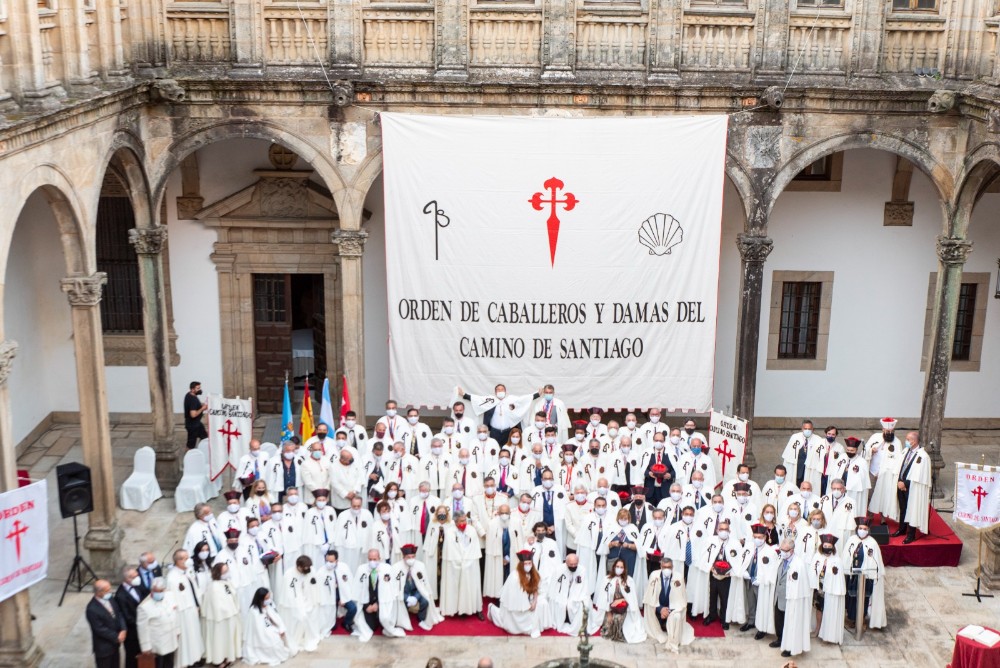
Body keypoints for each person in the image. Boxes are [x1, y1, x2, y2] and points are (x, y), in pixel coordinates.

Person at [487, 550, 548, 638]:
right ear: (521, 564)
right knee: (511, 626)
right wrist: (529, 606)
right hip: (515, 606)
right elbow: (517, 598)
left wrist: (534, 601)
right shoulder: (515, 577)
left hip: (528, 601)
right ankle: (492, 609)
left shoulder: (534, 572)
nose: (528, 565)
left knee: (542, 604)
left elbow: (536, 587)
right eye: (525, 563)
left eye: (529, 563)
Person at [458, 384, 540, 445]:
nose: (500, 391)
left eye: (502, 390)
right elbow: (477, 400)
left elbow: (524, 400)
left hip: (508, 432)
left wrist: (537, 394)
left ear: (505, 392)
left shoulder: (511, 400)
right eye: (498, 390)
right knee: (494, 451)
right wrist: (464, 395)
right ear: (495, 392)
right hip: (494, 432)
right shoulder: (490, 401)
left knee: (508, 451)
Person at [843, 517, 886, 630]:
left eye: (865, 529)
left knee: (864, 599)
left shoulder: (872, 543)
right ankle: (851, 618)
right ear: (857, 528)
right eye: (860, 528)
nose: (862, 530)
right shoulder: (851, 540)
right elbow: (846, 557)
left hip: (866, 578)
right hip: (853, 576)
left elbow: (876, 561)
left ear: (868, 530)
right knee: (852, 597)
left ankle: (861, 619)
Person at [164, 549, 205, 668]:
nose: (188, 560)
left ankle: (196, 658)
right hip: (182, 612)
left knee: (194, 635)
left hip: (192, 608)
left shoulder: (187, 571)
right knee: (186, 638)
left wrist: (197, 604)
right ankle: (187, 662)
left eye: (188, 557)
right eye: (185, 558)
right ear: (178, 561)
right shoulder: (172, 577)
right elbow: (172, 598)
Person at [354, 548, 407, 639]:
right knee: (370, 627)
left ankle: (383, 621)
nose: (372, 561)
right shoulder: (361, 569)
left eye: (374, 559)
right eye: (370, 559)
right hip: (368, 604)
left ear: (379, 558)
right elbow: (358, 591)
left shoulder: (387, 569)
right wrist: (366, 606)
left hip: (383, 603)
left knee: (385, 619)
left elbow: (391, 591)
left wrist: (378, 604)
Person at [772, 539, 811, 659]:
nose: (782, 552)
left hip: (792, 599)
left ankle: (789, 647)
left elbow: (801, 585)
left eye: (785, 550)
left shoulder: (799, 564)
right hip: (779, 596)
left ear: (792, 550)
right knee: (779, 620)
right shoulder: (781, 559)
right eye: (781, 550)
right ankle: (780, 639)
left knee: (790, 623)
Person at [642, 556, 690, 652]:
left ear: (672, 567)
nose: (667, 569)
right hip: (657, 610)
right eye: (664, 567)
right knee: (651, 611)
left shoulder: (678, 577)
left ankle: (673, 641)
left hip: (672, 610)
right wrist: (660, 609)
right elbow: (649, 598)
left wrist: (668, 611)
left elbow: (681, 601)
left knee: (676, 616)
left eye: (669, 567)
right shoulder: (654, 576)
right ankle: (661, 627)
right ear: (660, 567)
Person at [275, 555, 321, 653]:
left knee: (312, 613)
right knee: (301, 617)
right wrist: (298, 605)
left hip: (307, 599)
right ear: (299, 567)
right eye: (305, 568)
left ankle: (309, 635)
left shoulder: (311, 570)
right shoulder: (289, 574)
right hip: (294, 603)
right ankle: (298, 638)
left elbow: (313, 585)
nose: (307, 570)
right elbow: (290, 593)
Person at [594, 557, 646, 643]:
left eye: (621, 567)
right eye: (617, 566)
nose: (619, 569)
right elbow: (603, 598)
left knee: (617, 619)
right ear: (614, 567)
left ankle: (619, 634)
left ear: (624, 569)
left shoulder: (629, 581)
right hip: (609, 609)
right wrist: (609, 613)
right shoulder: (606, 580)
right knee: (608, 624)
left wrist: (621, 600)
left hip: (624, 609)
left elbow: (631, 598)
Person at [201, 563, 242, 668]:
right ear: (218, 573)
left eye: (227, 570)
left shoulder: (226, 583)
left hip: (230, 616)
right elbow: (216, 605)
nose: (227, 573)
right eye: (225, 571)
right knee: (219, 641)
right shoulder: (213, 586)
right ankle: (219, 660)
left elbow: (232, 596)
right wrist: (226, 612)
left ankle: (228, 657)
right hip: (219, 619)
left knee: (228, 639)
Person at [395, 543, 445, 631]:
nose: (411, 559)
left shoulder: (420, 566)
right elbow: (396, 588)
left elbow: (423, 585)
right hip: (404, 594)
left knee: (425, 601)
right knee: (399, 602)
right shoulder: (396, 567)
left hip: (416, 592)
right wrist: (407, 598)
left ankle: (421, 618)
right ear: (403, 557)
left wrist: (416, 597)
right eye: (408, 557)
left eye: (413, 556)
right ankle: (403, 618)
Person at [894, 431, 931, 543]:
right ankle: (902, 529)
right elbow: (900, 467)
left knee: (912, 510)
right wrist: (899, 481)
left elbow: (920, 475)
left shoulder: (923, 456)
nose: (906, 441)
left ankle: (911, 535)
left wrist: (905, 484)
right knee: (903, 508)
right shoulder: (906, 451)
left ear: (914, 441)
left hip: (913, 488)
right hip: (900, 485)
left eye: (908, 439)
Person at [137, 577, 180, 668]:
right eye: (155, 591)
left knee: (170, 663)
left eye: (161, 591)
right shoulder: (144, 607)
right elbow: (142, 629)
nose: (158, 593)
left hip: (171, 639)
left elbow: (175, 614)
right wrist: (146, 647)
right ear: (151, 590)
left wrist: (177, 631)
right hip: (158, 643)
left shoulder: (169, 596)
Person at [243, 587, 294, 666]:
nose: (268, 600)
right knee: (274, 640)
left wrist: (280, 628)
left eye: (269, 597)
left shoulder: (267, 606)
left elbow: (276, 618)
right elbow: (259, 629)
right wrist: (274, 631)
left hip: (271, 628)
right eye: (266, 598)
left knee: (283, 634)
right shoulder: (254, 611)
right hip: (262, 635)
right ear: (260, 599)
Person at [810, 534, 845, 645]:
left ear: (833, 547)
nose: (827, 548)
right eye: (825, 546)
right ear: (822, 546)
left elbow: (837, 577)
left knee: (829, 611)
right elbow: (812, 571)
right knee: (819, 609)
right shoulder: (817, 557)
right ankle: (817, 629)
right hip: (819, 588)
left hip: (830, 590)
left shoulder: (837, 560)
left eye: (829, 546)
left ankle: (827, 634)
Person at [87, 579, 126, 668]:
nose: (110, 591)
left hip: (115, 646)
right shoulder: (92, 609)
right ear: (99, 592)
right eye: (107, 590)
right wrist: (117, 637)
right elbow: (99, 629)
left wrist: (123, 629)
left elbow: (119, 613)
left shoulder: (110, 599)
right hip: (104, 648)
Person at [547, 553, 589, 635]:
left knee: (578, 604)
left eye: (575, 564)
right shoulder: (559, 570)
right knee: (560, 604)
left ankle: (576, 624)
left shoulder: (582, 570)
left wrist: (574, 598)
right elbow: (554, 587)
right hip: (561, 594)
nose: (573, 566)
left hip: (576, 595)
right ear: (566, 562)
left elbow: (583, 587)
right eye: (571, 564)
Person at [317, 549, 357, 634]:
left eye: (331, 561)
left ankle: (347, 622)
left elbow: (349, 583)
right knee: (332, 626)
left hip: (343, 594)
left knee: (353, 608)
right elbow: (320, 589)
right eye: (327, 561)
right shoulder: (321, 571)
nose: (328, 563)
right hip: (329, 597)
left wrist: (344, 598)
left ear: (337, 561)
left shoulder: (344, 567)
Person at [115, 566, 144, 668]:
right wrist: (142, 622)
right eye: (134, 577)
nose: (137, 578)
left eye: (137, 575)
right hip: (132, 633)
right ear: (127, 579)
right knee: (132, 658)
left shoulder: (137, 586)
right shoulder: (120, 595)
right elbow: (127, 617)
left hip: (140, 628)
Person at [484, 504, 514, 599]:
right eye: (502, 513)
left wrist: (508, 557)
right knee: (498, 578)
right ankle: (498, 597)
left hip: (511, 556)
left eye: (506, 513)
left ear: (510, 513)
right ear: (498, 513)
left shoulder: (516, 523)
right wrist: (501, 558)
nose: (504, 515)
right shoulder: (492, 524)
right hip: (497, 557)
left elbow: (518, 543)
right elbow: (490, 544)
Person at [782, 421, 822, 488]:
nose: (807, 430)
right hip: (797, 470)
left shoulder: (818, 440)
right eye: (805, 428)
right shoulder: (795, 437)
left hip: (810, 471)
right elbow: (788, 456)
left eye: (809, 429)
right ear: (802, 428)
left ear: (813, 429)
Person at [184, 381, 209, 449]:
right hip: (192, 426)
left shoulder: (189, 394)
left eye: (199, 388)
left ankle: (201, 450)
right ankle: (187, 455)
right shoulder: (193, 399)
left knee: (205, 438)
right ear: (192, 389)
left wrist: (202, 405)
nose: (200, 390)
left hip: (197, 424)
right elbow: (193, 415)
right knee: (190, 445)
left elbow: (195, 406)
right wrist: (202, 408)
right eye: (198, 388)